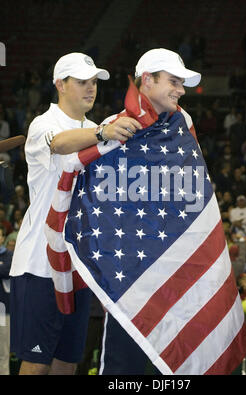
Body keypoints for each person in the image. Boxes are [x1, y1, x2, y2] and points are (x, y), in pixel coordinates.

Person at [9, 52, 142, 375]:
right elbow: (61, 144)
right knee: (36, 364)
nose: (90, 89)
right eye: (82, 82)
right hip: (40, 263)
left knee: (67, 364)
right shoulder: (45, 124)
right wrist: (104, 133)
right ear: (60, 85)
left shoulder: (98, 128)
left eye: (94, 82)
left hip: (80, 264)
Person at [98, 48, 204, 375]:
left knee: (172, 366)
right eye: (174, 81)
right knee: (122, 368)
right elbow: (97, 206)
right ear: (147, 80)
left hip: (173, 266)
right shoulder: (114, 127)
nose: (181, 90)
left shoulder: (184, 122)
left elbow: (194, 191)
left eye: (182, 83)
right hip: (129, 272)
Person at [0, 225, 13, 375]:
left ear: (3, 238)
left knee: (3, 350)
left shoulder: (9, 255)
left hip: (2, 309)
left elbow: (6, 271)